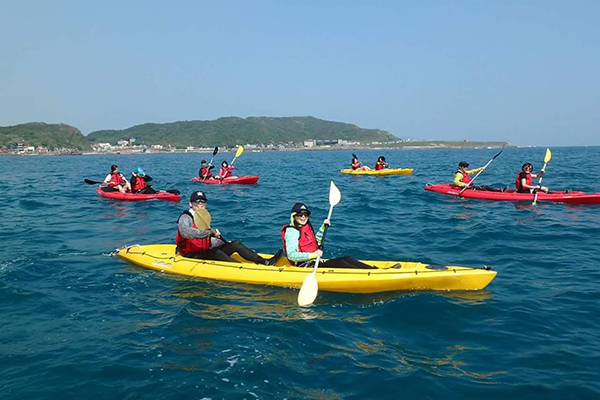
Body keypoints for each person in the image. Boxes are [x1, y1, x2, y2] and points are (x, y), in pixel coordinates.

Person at [176, 191, 281, 265]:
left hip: (204, 251)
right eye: (197, 203)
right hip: (190, 255)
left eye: (203, 202)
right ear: (190, 204)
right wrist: (209, 233)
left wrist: (220, 241)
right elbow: (187, 233)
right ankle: (241, 268)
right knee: (215, 252)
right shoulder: (185, 217)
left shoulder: (203, 217)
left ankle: (265, 262)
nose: (200, 205)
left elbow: (207, 240)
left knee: (236, 244)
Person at [281, 203, 376, 269]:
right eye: (300, 215)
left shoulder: (306, 227)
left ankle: (375, 270)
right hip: (304, 266)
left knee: (347, 258)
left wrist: (323, 227)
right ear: (294, 216)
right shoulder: (292, 232)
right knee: (341, 263)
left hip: (316, 261)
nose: (303, 217)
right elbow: (292, 255)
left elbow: (315, 242)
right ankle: (372, 274)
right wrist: (314, 254)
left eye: (305, 215)